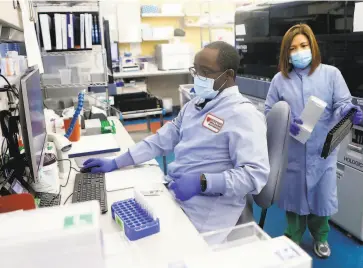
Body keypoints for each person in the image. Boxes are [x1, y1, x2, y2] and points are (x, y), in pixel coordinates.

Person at [83, 41, 270, 233]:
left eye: (205, 72)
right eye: (195, 71)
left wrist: (203, 182)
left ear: (228, 76)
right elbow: (162, 138)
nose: (198, 78)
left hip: (207, 210)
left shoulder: (243, 115)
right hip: (176, 192)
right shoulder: (196, 104)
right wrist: (117, 162)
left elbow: (254, 175)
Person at [264, 24, 363, 258]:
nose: (299, 52)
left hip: (322, 151)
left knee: (321, 200)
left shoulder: (331, 74)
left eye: (303, 46)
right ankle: (293, 237)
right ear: (286, 53)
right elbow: (269, 110)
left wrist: (348, 111)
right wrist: (286, 122)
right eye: (293, 48)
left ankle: (321, 238)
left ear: (312, 46)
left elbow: (341, 103)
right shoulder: (280, 79)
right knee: (294, 201)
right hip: (293, 152)